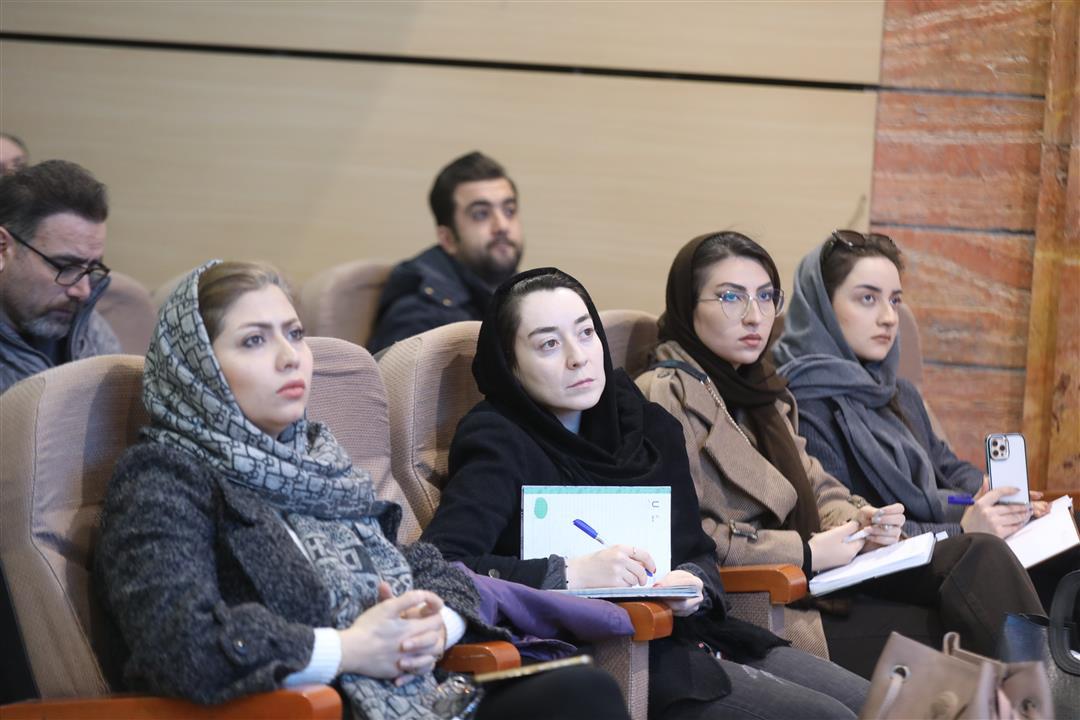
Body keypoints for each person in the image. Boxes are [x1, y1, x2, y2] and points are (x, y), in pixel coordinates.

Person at [95, 261, 631, 720]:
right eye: (255, 340)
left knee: (581, 690)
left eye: (294, 334)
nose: (289, 357)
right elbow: (177, 641)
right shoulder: (162, 478)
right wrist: (348, 649)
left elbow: (429, 565)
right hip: (302, 707)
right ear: (196, 366)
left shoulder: (318, 461)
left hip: (410, 696)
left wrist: (437, 626)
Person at [422, 267, 870, 719]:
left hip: (697, 636)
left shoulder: (646, 424)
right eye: (549, 345)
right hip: (605, 659)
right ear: (511, 364)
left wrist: (693, 585)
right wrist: (570, 574)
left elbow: (697, 551)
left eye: (586, 333)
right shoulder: (497, 438)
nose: (578, 358)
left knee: (876, 703)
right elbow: (441, 565)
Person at [635, 232, 1045, 677]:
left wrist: (860, 519)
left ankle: (1043, 696)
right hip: (764, 599)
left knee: (981, 558)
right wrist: (807, 550)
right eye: (731, 297)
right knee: (965, 615)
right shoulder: (667, 394)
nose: (755, 316)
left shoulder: (761, 391)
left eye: (766, 297)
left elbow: (817, 483)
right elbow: (686, 541)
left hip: (826, 578)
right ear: (688, 303)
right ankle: (1041, 696)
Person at [774, 230, 1079, 609]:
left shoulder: (898, 391)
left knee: (1068, 538)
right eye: (868, 298)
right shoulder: (801, 402)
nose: (889, 318)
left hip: (943, 548)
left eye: (895, 300)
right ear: (821, 307)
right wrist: (962, 528)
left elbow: (947, 468)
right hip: (880, 573)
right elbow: (852, 528)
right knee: (990, 556)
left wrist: (996, 497)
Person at [368, 151, 523, 353]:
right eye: (481, 214)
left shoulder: (520, 295)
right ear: (447, 239)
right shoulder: (419, 316)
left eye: (509, 210)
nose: (502, 226)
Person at [0, 160, 120, 394]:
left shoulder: (88, 325)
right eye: (65, 267)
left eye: (91, 267)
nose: (84, 291)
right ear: (3, 248)